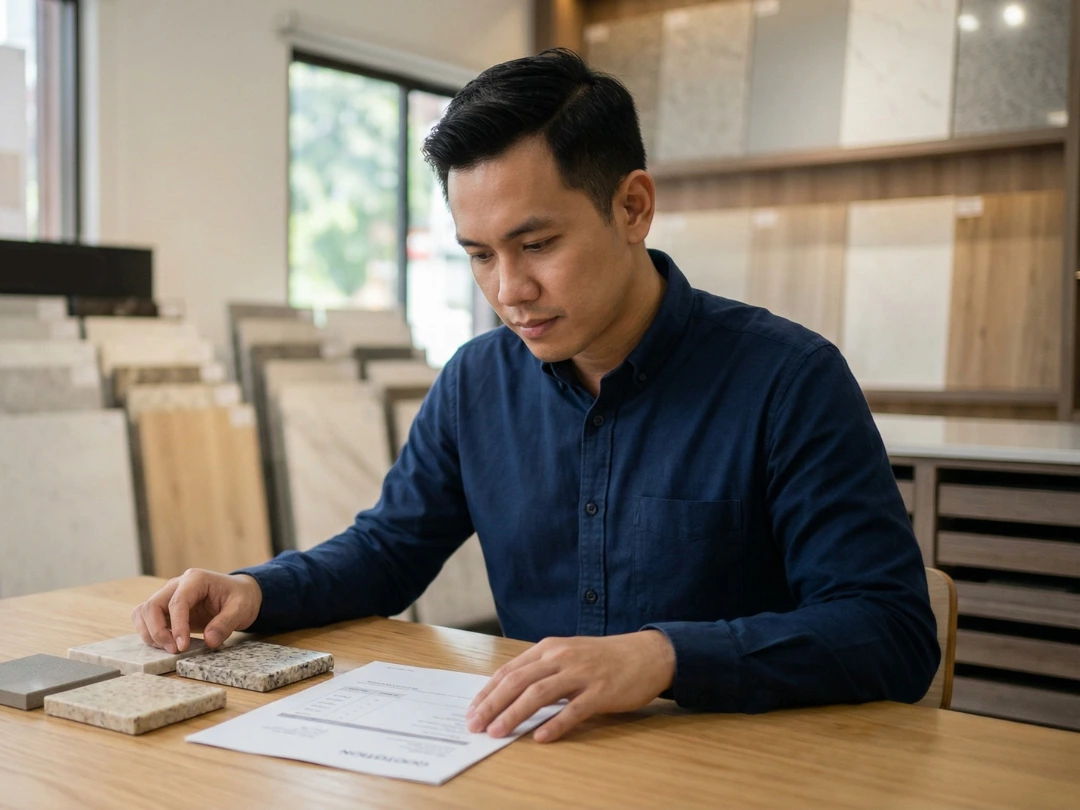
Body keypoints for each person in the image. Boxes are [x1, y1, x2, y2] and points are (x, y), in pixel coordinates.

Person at [132, 48, 938, 743]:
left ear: (633, 207)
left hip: (734, 768)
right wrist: (256, 590)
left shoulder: (788, 380)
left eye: (538, 244)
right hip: (537, 758)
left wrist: (661, 656)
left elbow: (891, 630)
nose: (509, 290)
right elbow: (386, 553)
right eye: (478, 255)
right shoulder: (477, 381)